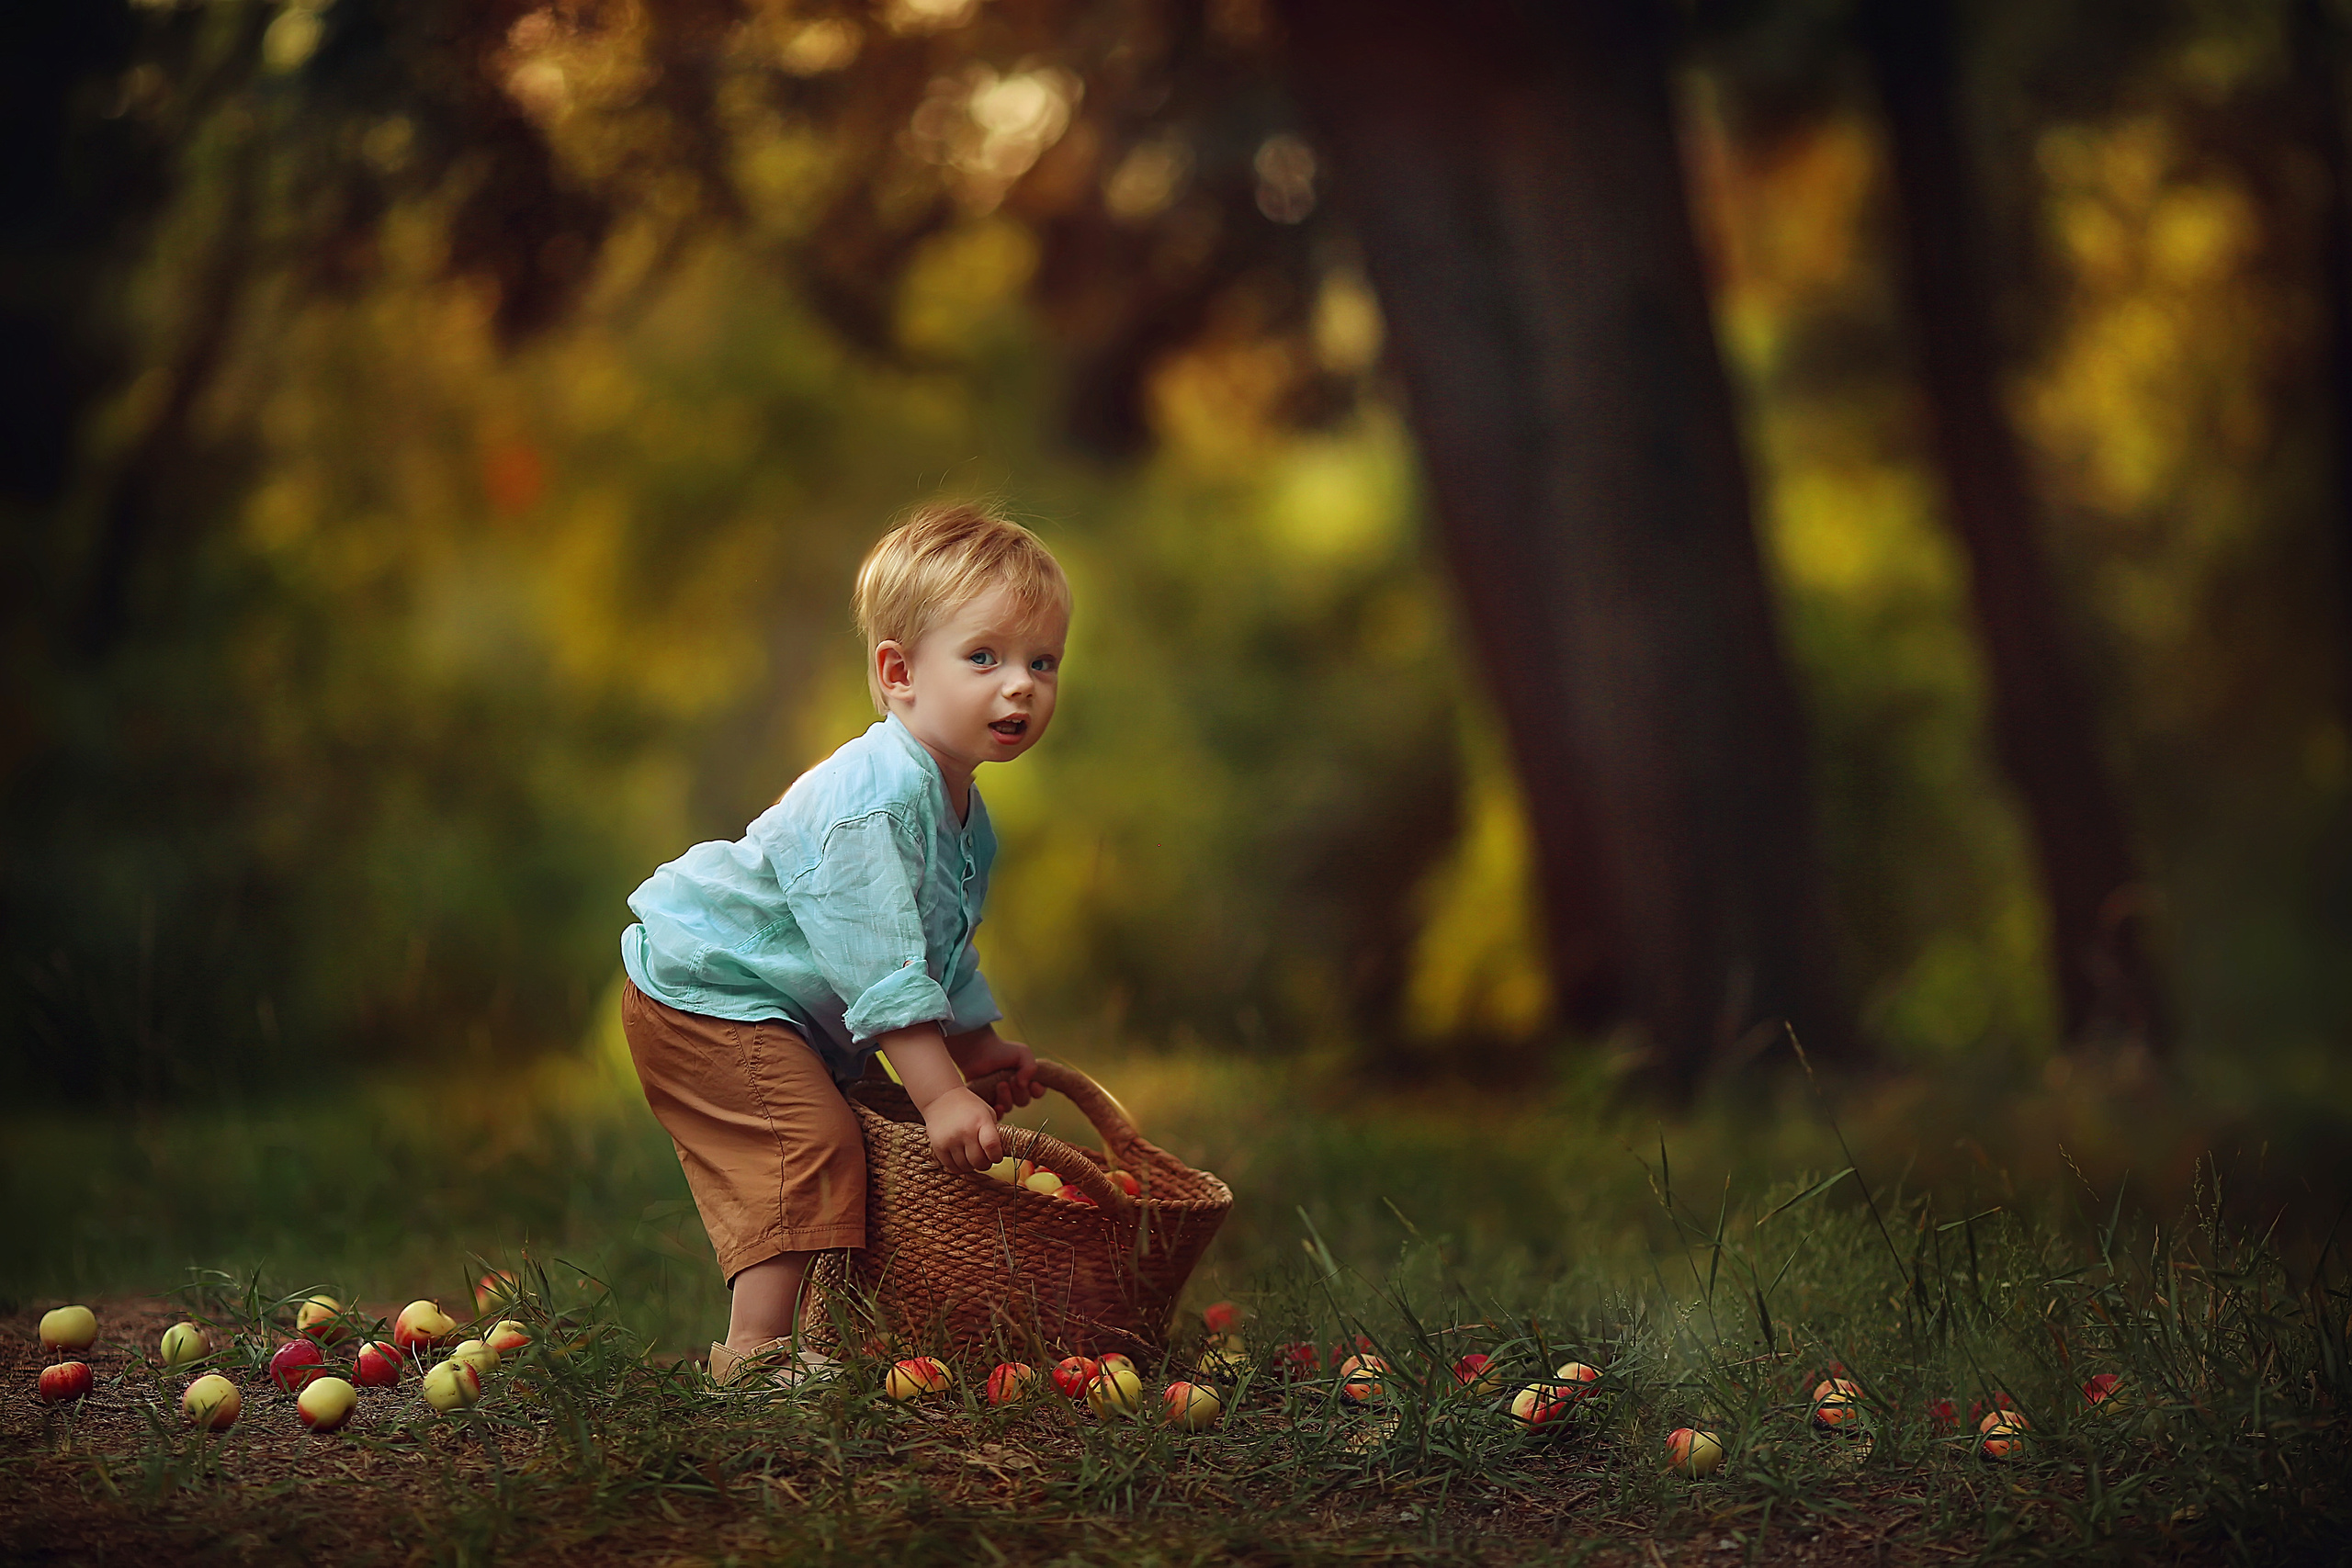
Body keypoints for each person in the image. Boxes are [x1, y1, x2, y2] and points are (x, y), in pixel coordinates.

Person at [616, 502, 1065, 1386]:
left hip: (778, 1005)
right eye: (984, 657)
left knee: (873, 1135)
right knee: (812, 1141)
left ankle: (832, 1332)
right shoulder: (873, 799)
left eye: (1041, 661)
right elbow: (878, 963)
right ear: (899, 672)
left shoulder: (963, 814)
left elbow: (938, 948)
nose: (1020, 685)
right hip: (710, 990)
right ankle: (751, 1356)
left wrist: (973, 1048)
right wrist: (940, 1095)